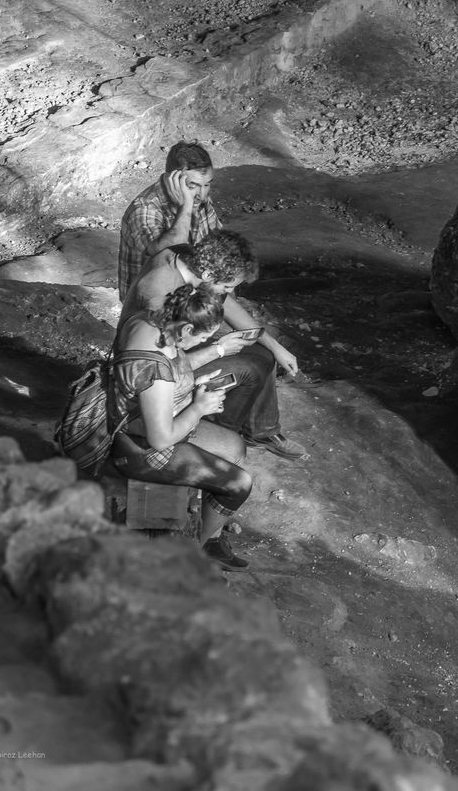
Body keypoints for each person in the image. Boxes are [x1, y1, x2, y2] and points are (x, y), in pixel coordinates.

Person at [118, 231, 308, 461]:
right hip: (155, 373)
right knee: (248, 368)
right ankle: (213, 435)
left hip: (176, 350)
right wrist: (218, 349)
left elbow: (225, 303)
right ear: (208, 274)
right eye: (227, 287)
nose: (228, 293)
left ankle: (260, 431)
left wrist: (275, 346)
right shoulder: (158, 293)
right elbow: (161, 366)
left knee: (263, 352)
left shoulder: (189, 259)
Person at [108, 282, 253, 571]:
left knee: (235, 448)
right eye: (203, 336)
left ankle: (206, 540)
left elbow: (170, 373)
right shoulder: (155, 369)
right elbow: (161, 439)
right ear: (187, 329)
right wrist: (199, 408)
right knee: (240, 484)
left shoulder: (151, 321)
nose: (203, 342)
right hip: (140, 447)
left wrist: (190, 384)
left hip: (142, 419)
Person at [118, 141, 221, 301]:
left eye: (206, 185)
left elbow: (217, 248)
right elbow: (175, 250)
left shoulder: (200, 200)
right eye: (192, 185)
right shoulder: (144, 210)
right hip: (149, 305)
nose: (201, 194)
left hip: (188, 293)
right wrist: (185, 205)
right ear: (172, 179)